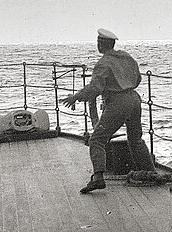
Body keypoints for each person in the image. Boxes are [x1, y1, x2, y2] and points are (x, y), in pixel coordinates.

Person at [61, 28, 155, 194]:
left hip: (118, 102)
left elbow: (95, 88)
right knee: (135, 139)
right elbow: (138, 79)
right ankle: (150, 173)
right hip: (134, 99)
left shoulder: (103, 64)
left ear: (101, 44)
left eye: (98, 42)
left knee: (96, 140)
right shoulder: (126, 57)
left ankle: (98, 178)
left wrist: (75, 97)